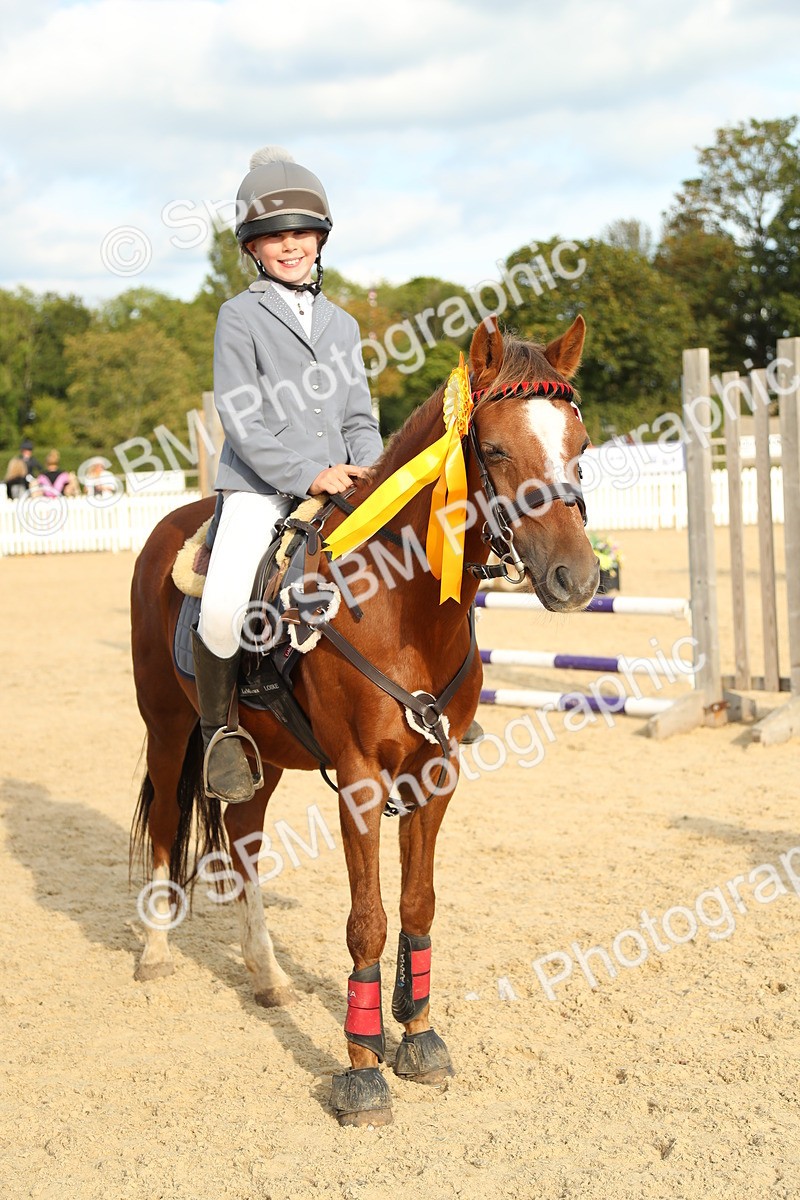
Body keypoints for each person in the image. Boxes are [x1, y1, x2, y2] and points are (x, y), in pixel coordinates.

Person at [194, 145, 384, 804]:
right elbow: (241, 419)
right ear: (253, 247)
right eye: (275, 236)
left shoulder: (343, 325)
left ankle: (432, 699)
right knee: (224, 607)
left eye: (301, 233)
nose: (290, 245)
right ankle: (219, 734)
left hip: (342, 482)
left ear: (319, 239)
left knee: (409, 563)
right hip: (259, 488)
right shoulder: (238, 316)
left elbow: (358, 415)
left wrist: (370, 470)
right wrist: (311, 474)